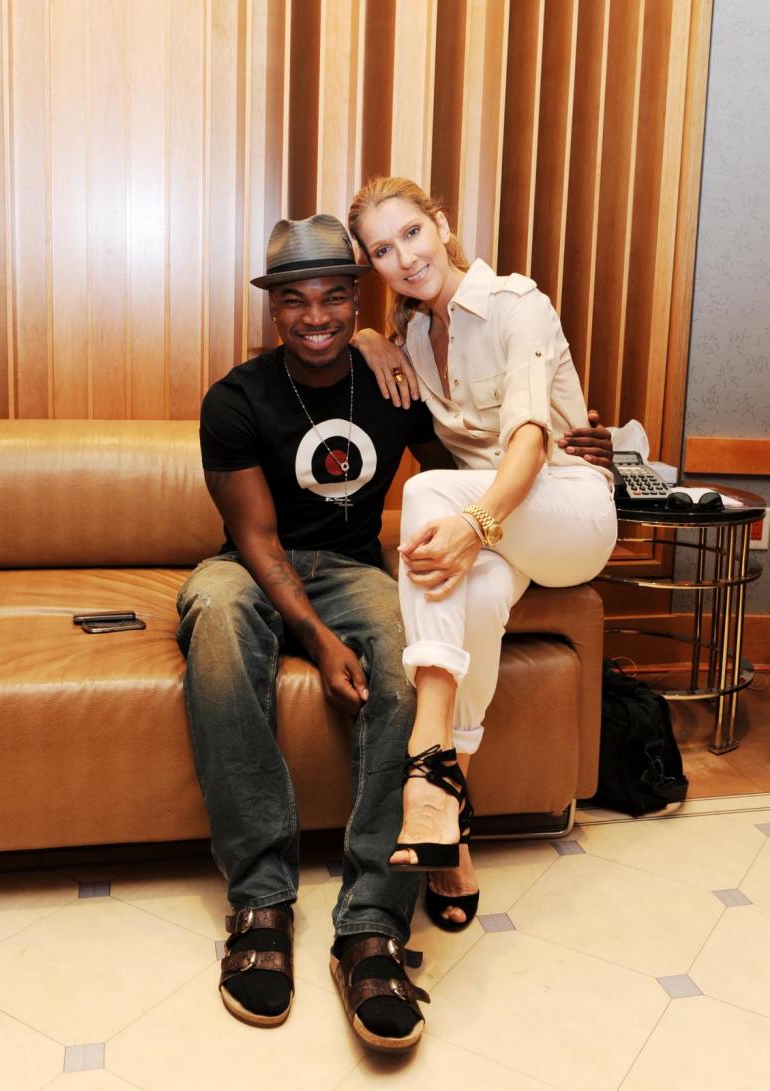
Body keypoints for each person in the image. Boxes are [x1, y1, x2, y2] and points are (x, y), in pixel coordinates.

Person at [176, 214, 438, 1052]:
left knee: (409, 649)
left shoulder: (392, 384)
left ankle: (371, 923)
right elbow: (255, 540)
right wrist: (320, 639)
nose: (315, 316)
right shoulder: (236, 398)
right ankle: (262, 899)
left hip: (355, 569)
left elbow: (463, 474)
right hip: (253, 565)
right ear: (273, 308)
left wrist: (560, 446)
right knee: (216, 612)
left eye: (333, 297)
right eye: (295, 299)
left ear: (356, 300)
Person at [348, 176, 618, 932]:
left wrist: (474, 524)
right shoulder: (409, 341)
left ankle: (426, 760)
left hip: (568, 509)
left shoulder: (516, 304)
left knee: (428, 493)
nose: (404, 257)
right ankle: (450, 828)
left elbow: (529, 439)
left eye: (411, 233)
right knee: (477, 596)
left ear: (440, 224)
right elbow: (359, 347)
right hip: (504, 529)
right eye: (382, 250)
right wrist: (367, 338)